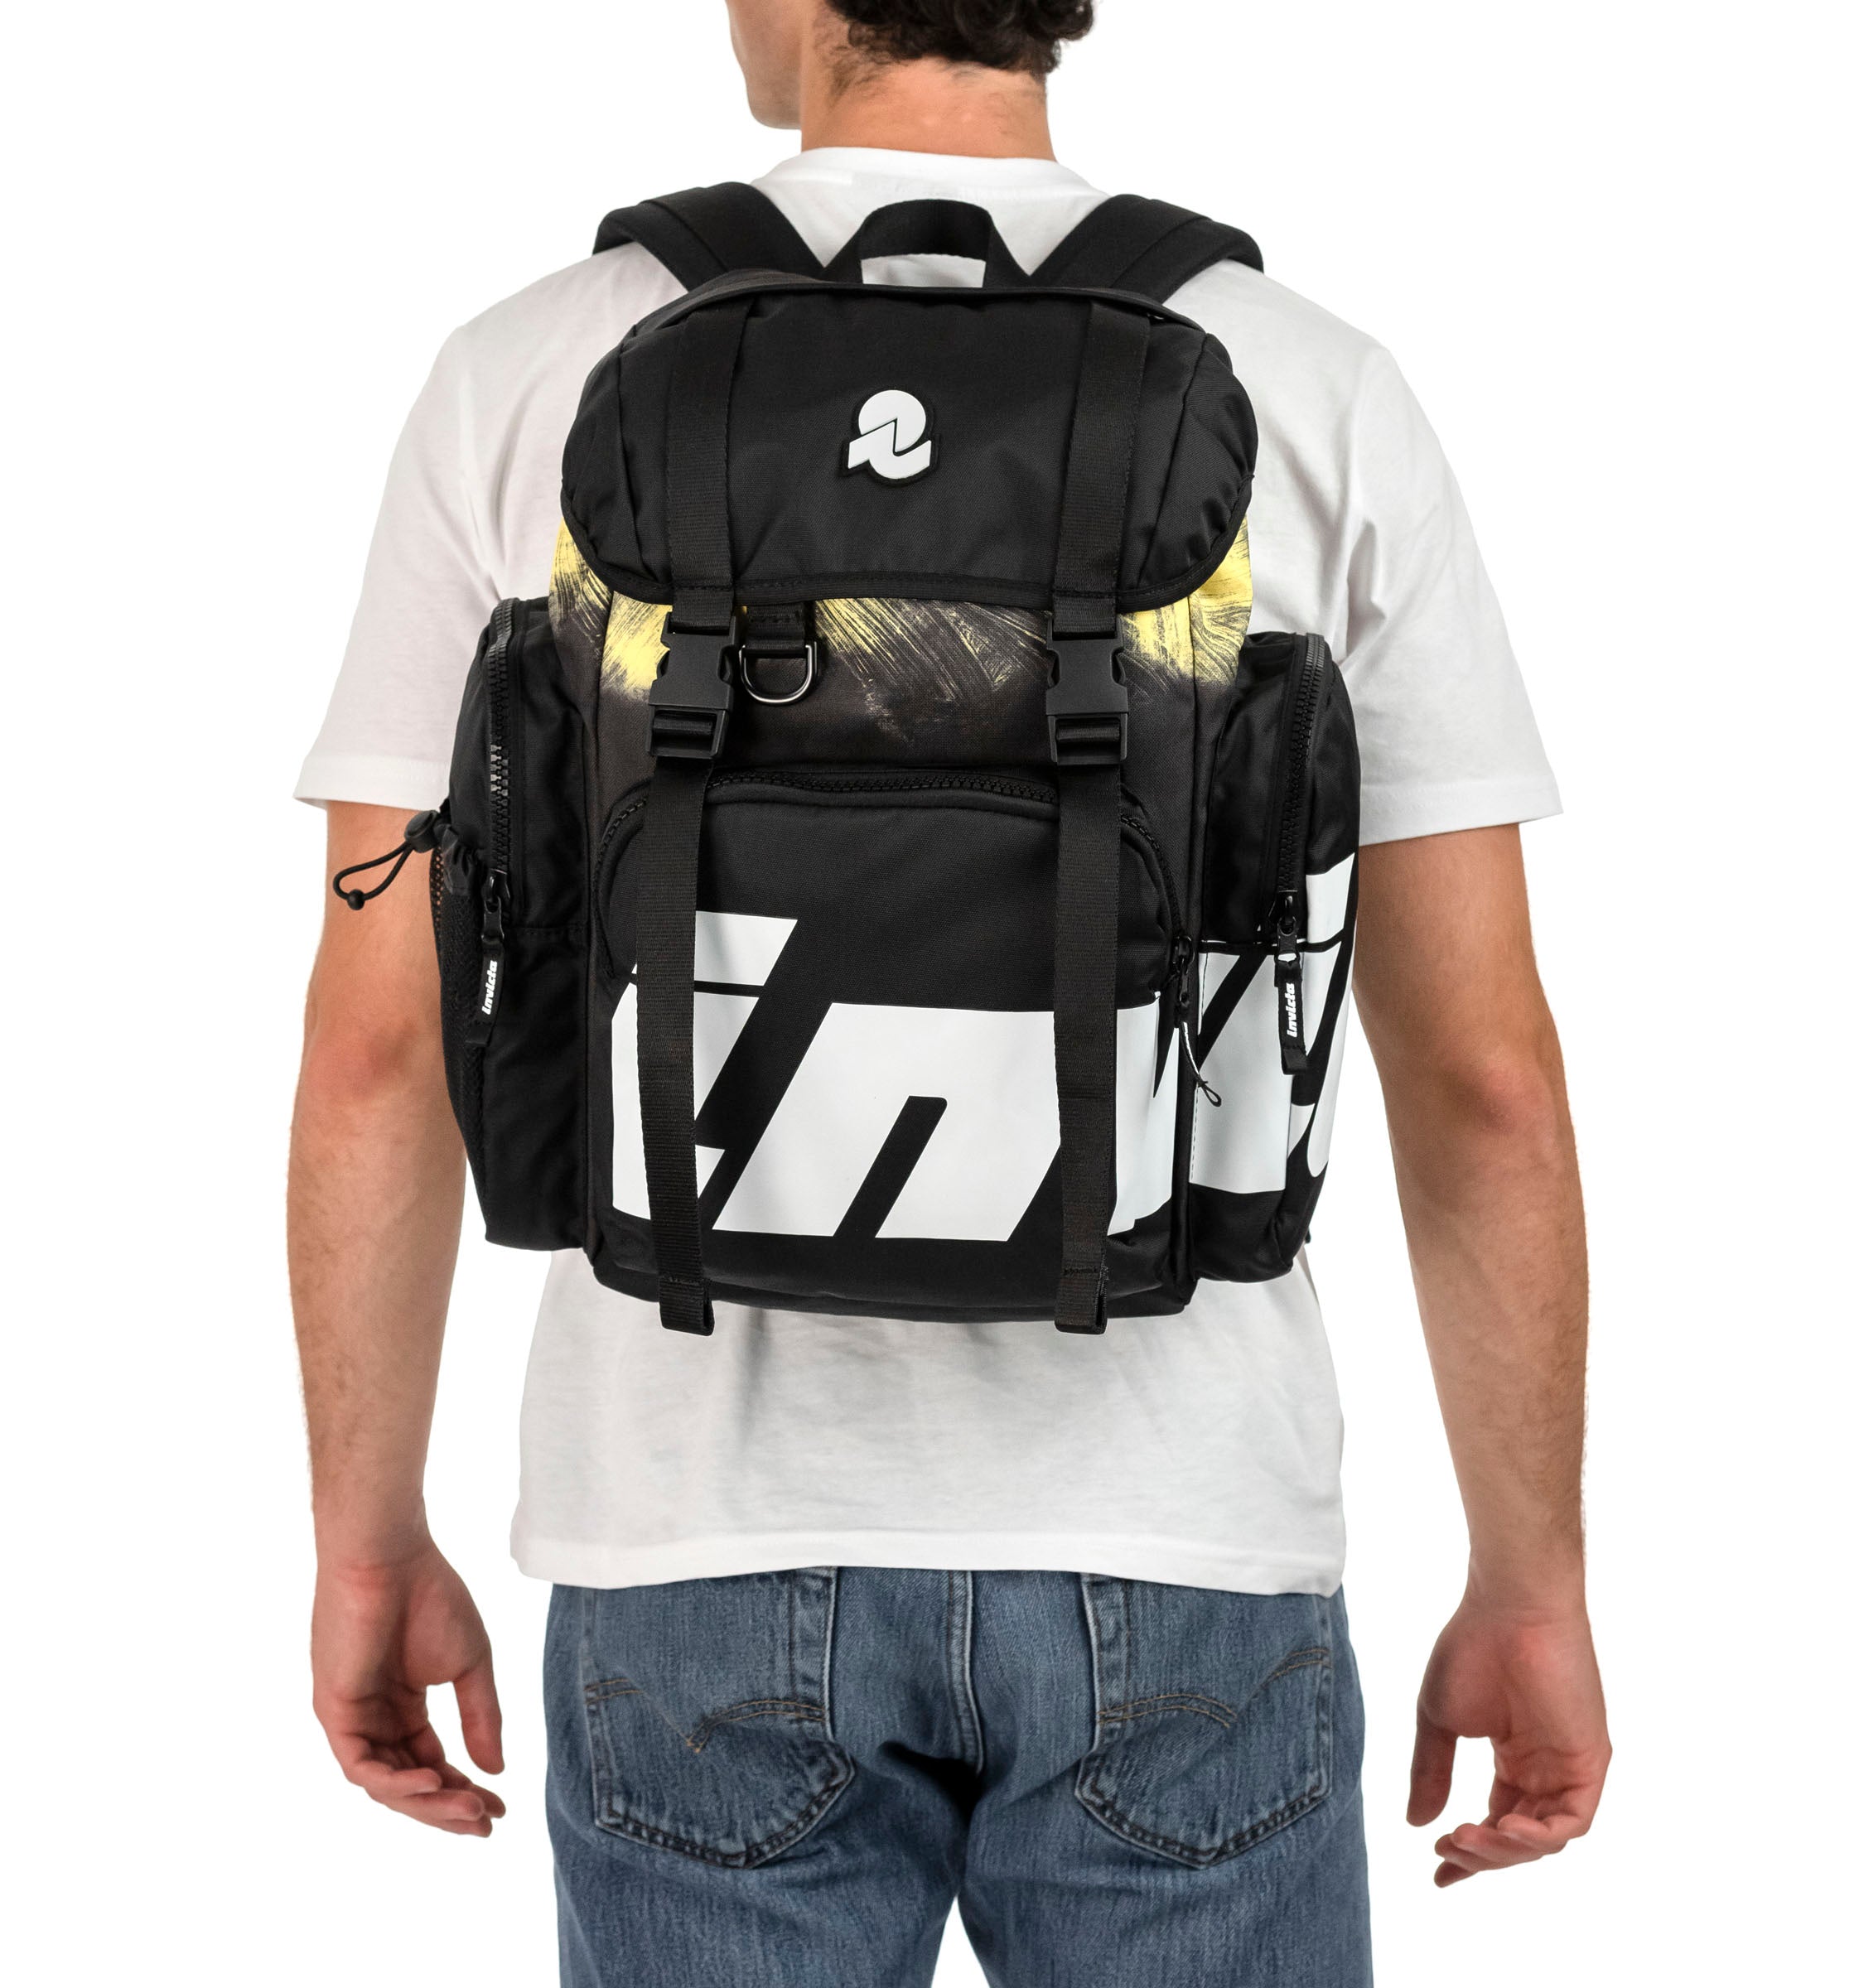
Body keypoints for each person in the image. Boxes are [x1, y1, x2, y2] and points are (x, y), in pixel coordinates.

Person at [288, 2, 1610, 1980]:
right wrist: (1533, 1576)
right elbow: (1483, 1072)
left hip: (691, 1549)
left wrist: (366, 1537)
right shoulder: (1310, 381)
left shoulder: (531, 367)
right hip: (1185, 1540)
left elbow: (382, 1045)